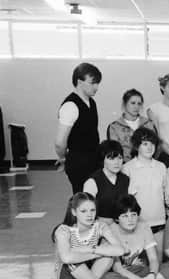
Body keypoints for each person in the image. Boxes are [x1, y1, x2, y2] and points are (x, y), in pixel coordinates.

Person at [51, 192, 126, 279]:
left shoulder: (100, 226)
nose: (89, 215)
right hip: (69, 276)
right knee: (73, 261)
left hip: (91, 273)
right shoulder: (63, 230)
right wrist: (97, 252)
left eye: (92, 210)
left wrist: (91, 249)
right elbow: (66, 258)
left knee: (108, 256)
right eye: (83, 211)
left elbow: (120, 250)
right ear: (74, 212)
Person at [110, 195, 169, 279]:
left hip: (141, 271)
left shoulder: (143, 227)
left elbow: (153, 259)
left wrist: (151, 277)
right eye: (125, 216)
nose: (130, 220)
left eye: (133, 214)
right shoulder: (110, 232)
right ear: (117, 219)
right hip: (124, 274)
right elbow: (118, 269)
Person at [54, 63, 102, 193]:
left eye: (98, 83)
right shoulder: (70, 106)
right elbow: (59, 143)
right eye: (93, 83)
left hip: (93, 160)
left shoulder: (91, 102)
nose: (96, 87)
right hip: (79, 163)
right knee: (83, 201)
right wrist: (63, 159)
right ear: (80, 82)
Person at [122, 127, 167, 259]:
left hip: (159, 222)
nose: (150, 147)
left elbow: (164, 193)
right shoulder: (127, 168)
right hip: (137, 224)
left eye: (152, 143)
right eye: (145, 143)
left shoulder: (161, 166)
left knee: (158, 259)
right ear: (136, 146)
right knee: (138, 262)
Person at [82, 140, 129, 225]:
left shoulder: (125, 179)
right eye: (111, 158)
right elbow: (86, 212)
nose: (117, 162)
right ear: (103, 160)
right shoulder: (92, 182)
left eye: (120, 158)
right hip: (100, 227)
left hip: (123, 226)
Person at [106, 89, 155, 162]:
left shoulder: (148, 124)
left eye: (139, 104)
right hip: (124, 166)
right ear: (125, 104)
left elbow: (156, 146)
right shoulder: (114, 127)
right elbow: (115, 151)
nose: (136, 106)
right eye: (133, 103)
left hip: (147, 165)